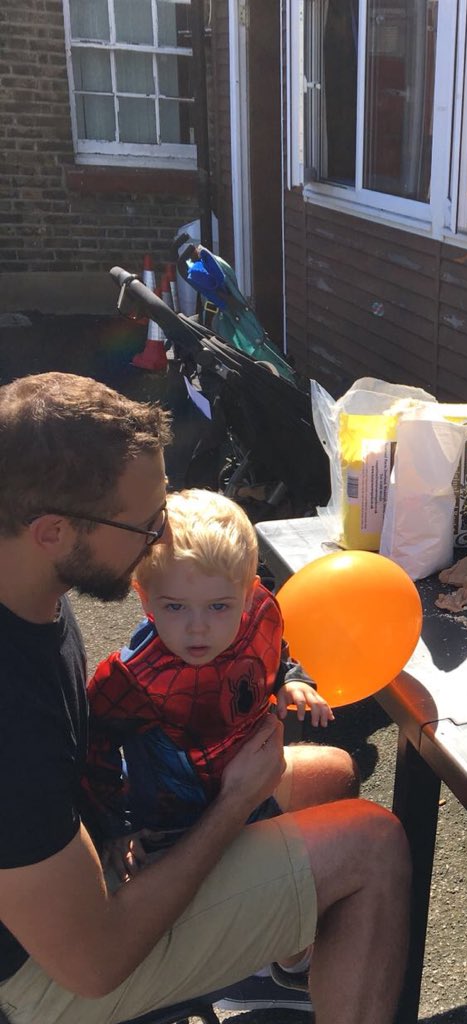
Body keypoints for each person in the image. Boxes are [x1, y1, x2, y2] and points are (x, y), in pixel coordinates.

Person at [0, 372, 410, 1024]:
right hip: (45, 976)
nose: (163, 536)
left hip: (87, 862)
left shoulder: (30, 591)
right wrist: (236, 800)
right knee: (375, 848)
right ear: (52, 531)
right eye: (146, 523)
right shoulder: (9, 720)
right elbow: (93, 963)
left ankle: (268, 969)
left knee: (330, 774)